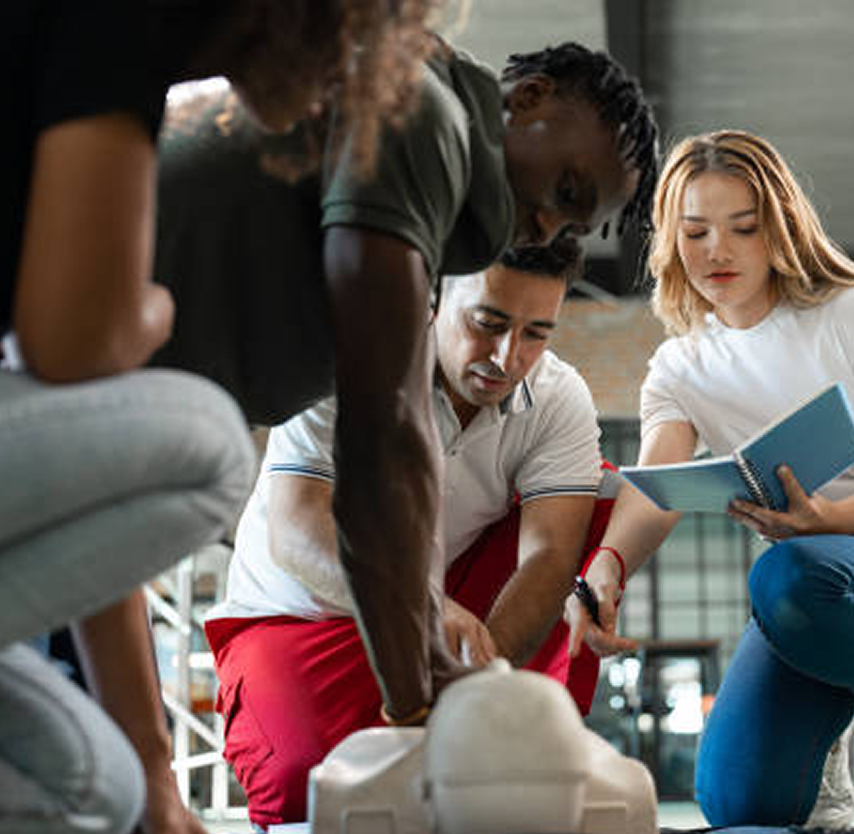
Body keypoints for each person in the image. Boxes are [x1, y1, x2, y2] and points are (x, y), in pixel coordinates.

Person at [1, 2, 435, 832]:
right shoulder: (114, 26)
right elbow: (73, 346)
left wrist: (159, 781)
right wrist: (150, 308)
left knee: (96, 788)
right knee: (206, 442)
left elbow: (79, 430)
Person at [151, 40, 657, 732]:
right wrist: (417, 704)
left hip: (118, 414)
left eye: (576, 223)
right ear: (530, 97)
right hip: (77, 393)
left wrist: (447, 689)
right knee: (212, 468)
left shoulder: (428, 138)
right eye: (564, 190)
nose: (546, 225)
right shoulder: (424, 121)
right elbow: (381, 457)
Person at [564, 130, 854, 834]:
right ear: (671, 240)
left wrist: (836, 519)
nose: (717, 251)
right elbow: (656, 485)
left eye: (743, 227)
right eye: (695, 230)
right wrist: (605, 571)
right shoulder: (680, 367)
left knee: (786, 574)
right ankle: (822, 738)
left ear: (780, 229)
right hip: (809, 594)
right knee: (739, 805)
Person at [202, 242, 612, 826]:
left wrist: (474, 684)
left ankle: (494, 714)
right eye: (487, 324)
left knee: (600, 495)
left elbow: (548, 556)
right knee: (306, 787)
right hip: (305, 615)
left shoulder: (557, 396)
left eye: (536, 334)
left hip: (448, 611)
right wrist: (418, 611)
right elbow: (295, 530)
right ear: (435, 296)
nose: (506, 357)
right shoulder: (345, 358)